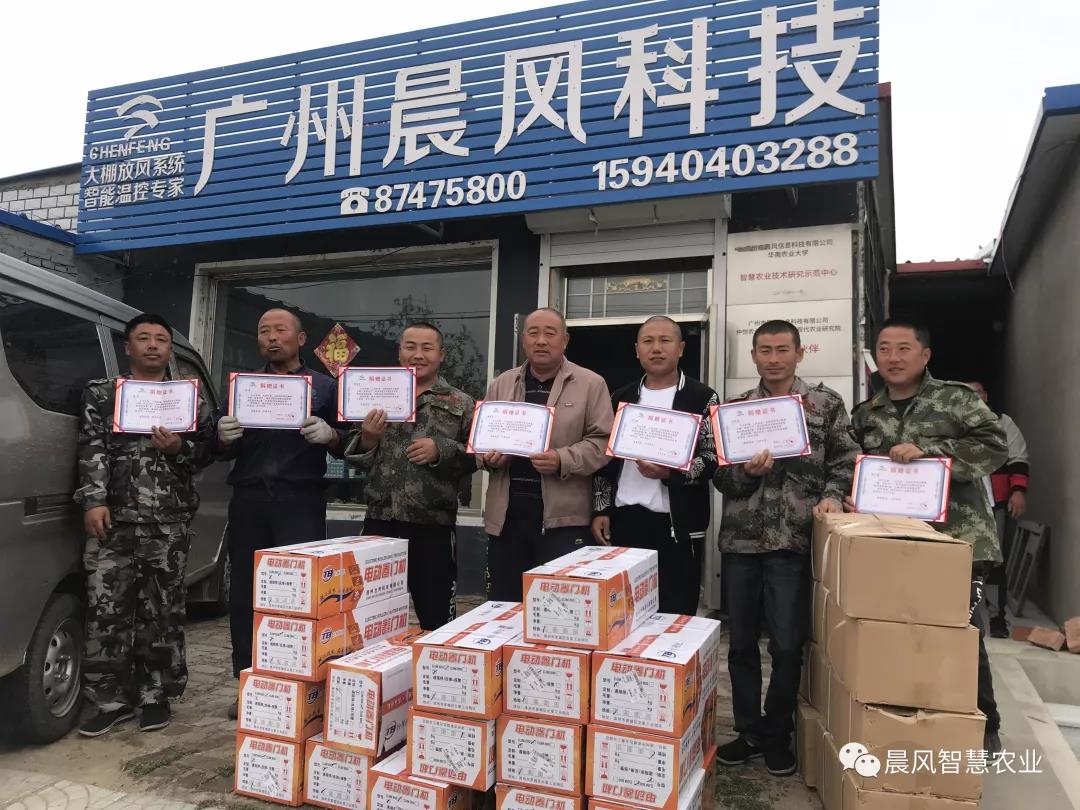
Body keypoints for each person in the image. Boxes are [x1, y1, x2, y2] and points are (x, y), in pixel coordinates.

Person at [850, 318, 1007, 754]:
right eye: (884, 349)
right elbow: (855, 466)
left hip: (956, 541)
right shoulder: (866, 413)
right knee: (900, 634)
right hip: (892, 542)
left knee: (960, 635)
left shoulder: (955, 399)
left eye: (904, 348)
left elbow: (995, 446)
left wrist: (932, 452)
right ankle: (914, 717)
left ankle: (984, 722)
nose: (893, 358)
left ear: (925, 355)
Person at [714, 320, 857, 777]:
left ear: (799, 353)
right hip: (741, 542)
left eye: (782, 349)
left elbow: (846, 460)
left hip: (794, 542)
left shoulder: (825, 404)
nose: (773, 359)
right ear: (753, 356)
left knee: (788, 646)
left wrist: (833, 496)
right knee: (740, 646)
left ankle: (778, 733)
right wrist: (746, 473)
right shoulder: (735, 410)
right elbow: (720, 477)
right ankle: (747, 731)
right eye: (764, 350)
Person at [75, 313, 215, 736]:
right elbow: (92, 445)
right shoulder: (103, 394)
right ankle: (109, 699)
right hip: (113, 521)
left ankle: (156, 694)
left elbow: (208, 453)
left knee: (162, 612)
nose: (153, 345)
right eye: (144, 338)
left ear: (170, 349)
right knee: (106, 611)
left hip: (167, 523)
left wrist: (179, 447)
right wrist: (94, 500)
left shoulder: (189, 399)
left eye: (161, 339)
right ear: (128, 347)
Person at [215, 309, 344, 715]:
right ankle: (248, 682)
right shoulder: (243, 386)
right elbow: (220, 447)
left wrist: (332, 435)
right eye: (264, 330)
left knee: (300, 596)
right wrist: (222, 437)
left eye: (280, 330)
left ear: (301, 338)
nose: (271, 337)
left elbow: (350, 441)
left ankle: (299, 686)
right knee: (245, 595)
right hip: (249, 499)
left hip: (300, 501)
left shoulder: (325, 387)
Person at [344, 322, 476, 630]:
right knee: (372, 618)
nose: (418, 355)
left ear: (442, 354)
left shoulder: (461, 402)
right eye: (410, 347)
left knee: (437, 620)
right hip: (380, 520)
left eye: (427, 348)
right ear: (399, 351)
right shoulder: (373, 393)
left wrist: (441, 449)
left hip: (433, 526)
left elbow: (479, 455)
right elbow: (350, 448)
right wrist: (368, 438)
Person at [480, 308, 614, 601]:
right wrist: (487, 457)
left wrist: (562, 459)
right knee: (505, 607)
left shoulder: (591, 384)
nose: (541, 340)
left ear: (565, 340)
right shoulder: (503, 383)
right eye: (533, 333)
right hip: (506, 521)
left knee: (559, 610)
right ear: (523, 340)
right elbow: (480, 439)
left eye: (550, 333)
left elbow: (603, 443)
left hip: (562, 523)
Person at [591, 316, 719, 615]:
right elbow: (605, 460)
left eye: (665, 341)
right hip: (625, 519)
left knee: (675, 614)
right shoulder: (621, 397)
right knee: (625, 613)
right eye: (648, 341)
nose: (656, 348)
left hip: (677, 525)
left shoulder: (701, 397)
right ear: (637, 350)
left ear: (681, 348)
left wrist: (671, 473)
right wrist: (600, 509)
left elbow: (712, 458)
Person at [967, 382, 1030, 639]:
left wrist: (1018, 491)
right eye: (966, 392)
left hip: (995, 504)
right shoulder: (951, 421)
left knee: (995, 560)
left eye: (977, 392)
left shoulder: (1003, 423)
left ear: (986, 395)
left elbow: (1018, 458)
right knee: (960, 561)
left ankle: (997, 618)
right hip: (960, 505)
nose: (973, 397)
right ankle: (963, 615)